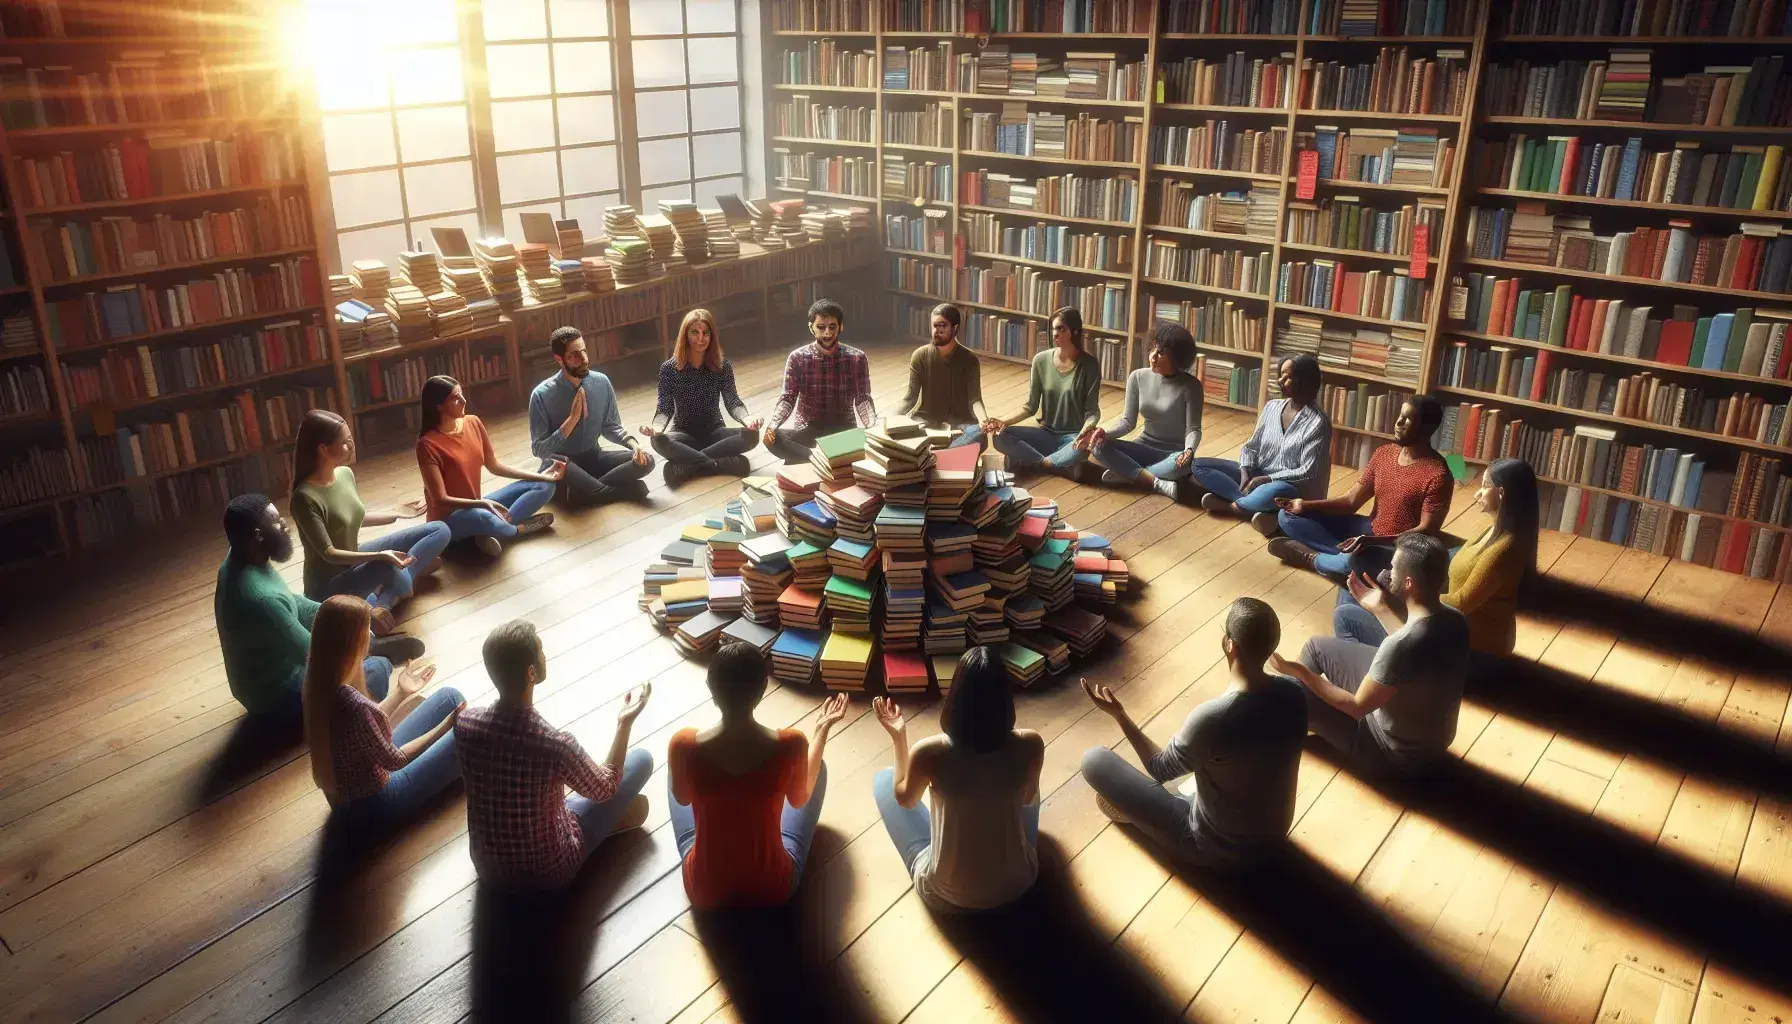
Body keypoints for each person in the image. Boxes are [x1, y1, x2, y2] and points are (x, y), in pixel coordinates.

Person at [1079, 597, 1308, 867]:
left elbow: (1159, 768)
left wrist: (1120, 715)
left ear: (1229, 645)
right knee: (1200, 765)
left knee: (1094, 760)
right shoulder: (1295, 691)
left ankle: (1143, 812)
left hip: (1218, 848)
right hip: (1273, 835)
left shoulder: (1214, 718)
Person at [455, 619, 655, 889]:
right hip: (548, 873)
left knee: (559, 792)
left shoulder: (465, 724)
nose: (545, 656)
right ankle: (608, 823)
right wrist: (624, 723)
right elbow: (605, 788)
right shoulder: (554, 745)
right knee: (641, 760)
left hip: (488, 869)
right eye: (541, 651)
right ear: (531, 673)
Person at [667, 641, 848, 908]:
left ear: (710, 689)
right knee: (817, 768)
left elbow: (682, 800)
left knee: (674, 775)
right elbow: (799, 800)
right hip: (772, 887)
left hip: (705, 890)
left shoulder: (683, 745)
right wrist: (821, 730)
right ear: (763, 689)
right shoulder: (792, 744)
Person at [215, 494, 424, 723]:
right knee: (377, 669)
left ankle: (370, 646)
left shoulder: (241, 558)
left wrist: (350, 617)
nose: (285, 524)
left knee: (348, 631)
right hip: (276, 696)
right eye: (277, 521)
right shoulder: (260, 598)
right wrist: (355, 650)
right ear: (258, 535)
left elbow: (293, 602)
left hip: (263, 678)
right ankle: (371, 655)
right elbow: (313, 656)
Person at [1275, 532, 1469, 773]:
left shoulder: (1398, 646)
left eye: (1394, 567)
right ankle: (1314, 709)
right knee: (1338, 622)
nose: (1389, 571)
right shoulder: (1455, 619)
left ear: (1409, 583)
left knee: (1294, 687)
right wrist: (1380, 609)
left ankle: (1282, 722)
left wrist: (1300, 672)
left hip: (1393, 753)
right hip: (1432, 743)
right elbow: (1414, 651)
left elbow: (1358, 707)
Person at [872, 647, 1045, 911]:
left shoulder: (931, 752)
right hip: (1018, 886)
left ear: (956, 696)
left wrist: (899, 738)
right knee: (1031, 791)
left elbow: (904, 799)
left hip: (947, 895)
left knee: (885, 781)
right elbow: (1028, 799)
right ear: (1005, 698)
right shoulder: (1030, 744)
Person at [1334, 458, 1538, 659]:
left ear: (1501, 494)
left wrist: (1403, 594)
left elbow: (1460, 604)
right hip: (1445, 626)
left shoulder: (1504, 551)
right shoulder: (1493, 530)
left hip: (1471, 652)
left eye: (1485, 487)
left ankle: (1382, 675)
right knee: (1359, 571)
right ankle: (1377, 664)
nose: (1477, 493)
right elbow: (1452, 562)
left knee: (1344, 615)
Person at [302, 595, 464, 836]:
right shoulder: (352, 704)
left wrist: (401, 692)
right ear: (353, 641)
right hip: (377, 802)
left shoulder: (320, 682)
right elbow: (395, 760)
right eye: (365, 628)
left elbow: (365, 727)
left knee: (450, 696)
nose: (370, 633)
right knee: (465, 735)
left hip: (355, 787)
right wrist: (447, 725)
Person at [1270, 395, 1451, 581]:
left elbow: (1426, 532)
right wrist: (1304, 504)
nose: (1398, 422)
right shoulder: (1384, 453)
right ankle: (1342, 561)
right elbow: (1351, 501)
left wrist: (1372, 542)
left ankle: (1314, 558)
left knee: (1360, 559)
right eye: (1400, 415)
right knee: (1288, 516)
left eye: (1408, 419)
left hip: (1395, 547)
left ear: (1427, 428)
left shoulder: (1437, 474)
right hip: (1368, 529)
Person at [290, 410, 450, 611]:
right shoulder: (304, 497)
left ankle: (389, 588)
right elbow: (329, 554)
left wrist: (397, 513)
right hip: (329, 584)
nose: (352, 446)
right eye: (345, 442)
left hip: (354, 557)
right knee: (399, 577)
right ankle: (388, 593)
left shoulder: (344, 474)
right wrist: (380, 556)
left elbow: (354, 517)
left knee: (440, 530)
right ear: (323, 448)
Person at [420, 375, 563, 557]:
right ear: (438, 405)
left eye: (462, 394)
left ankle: (488, 533)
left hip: (477, 505)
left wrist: (541, 476)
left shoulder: (473, 422)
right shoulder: (427, 444)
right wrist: (484, 504)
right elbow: (441, 498)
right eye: (455, 398)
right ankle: (514, 530)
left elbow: (494, 465)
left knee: (545, 486)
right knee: (484, 516)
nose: (463, 401)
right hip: (449, 519)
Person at [1192, 354, 1331, 535]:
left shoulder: (1318, 422)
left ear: (1304, 381)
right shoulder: (1272, 407)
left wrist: (1266, 480)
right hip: (1258, 476)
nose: (1281, 381)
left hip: (1292, 488)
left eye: (1288, 377)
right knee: (1198, 465)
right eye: (1281, 375)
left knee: (1275, 490)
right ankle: (1259, 510)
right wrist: (1244, 472)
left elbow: (1306, 471)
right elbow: (1252, 447)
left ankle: (1232, 506)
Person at [528, 326, 655, 505]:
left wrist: (634, 446)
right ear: (559, 359)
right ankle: (606, 490)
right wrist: (571, 421)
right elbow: (539, 449)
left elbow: (611, 426)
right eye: (574, 355)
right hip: (563, 465)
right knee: (561, 464)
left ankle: (590, 491)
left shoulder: (601, 382)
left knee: (646, 461)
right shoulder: (540, 395)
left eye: (584, 351)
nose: (584, 360)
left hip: (594, 457)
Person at [641, 309, 761, 486]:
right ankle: (719, 463)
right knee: (658, 440)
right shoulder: (668, 369)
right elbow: (664, 407)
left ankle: (689, 465)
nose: (701, 339)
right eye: (695, 332)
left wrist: (748, 419)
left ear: (712, 335)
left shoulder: (722, 366)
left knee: (752, 435)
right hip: (683, 435)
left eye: (706, 333)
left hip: (715, 432)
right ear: (685, 335)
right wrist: (657, 428)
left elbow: (732, 400)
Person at [1089, 320, 1203, 498]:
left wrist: (1189, 450)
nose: (1153, 356)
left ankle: (1127, 473)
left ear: (1176, 357)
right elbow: (1127, 422)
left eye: (1161, 353)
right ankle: (1155, 482)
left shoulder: (1191, 386)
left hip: (1171, 455)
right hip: (1141, 447)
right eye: (1153, 350)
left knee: (1182, 466)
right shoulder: (1137, 377)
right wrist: (1105, 433)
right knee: (1098, 446)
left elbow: (1193, 429)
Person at [987, 307, 1101, 476]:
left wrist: (1085, 431)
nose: (1055, 334)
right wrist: (1003, 421)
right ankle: (1055, 464)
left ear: (1075, 331)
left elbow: (1092, 412)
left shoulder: (1090, 365)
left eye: (1061, 329)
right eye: (1054, 329)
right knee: (1000, 437)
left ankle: (1029, 460)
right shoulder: (1041, 360)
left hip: (1071, 437)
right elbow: (1030, 407)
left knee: (1082, 449)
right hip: (1044, 433)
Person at [764, 299, 876, 464]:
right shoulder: (797, 358)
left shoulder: (857, 358)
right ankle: (820, 457)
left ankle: (811, 457)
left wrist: (873, 426)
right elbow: (788, 397)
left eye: (832, 327)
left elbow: (863, 398)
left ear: (841, 326)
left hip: (843, 429)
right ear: (811, 328)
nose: (827, 334)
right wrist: (773, 425)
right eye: (821, 327)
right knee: (773, 438)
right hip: (808, 430)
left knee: (870, 439)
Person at [899, 303, 992, 449]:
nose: (937, 330)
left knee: (978, 435)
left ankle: (934, 454)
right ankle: (947, 454)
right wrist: (889, 420)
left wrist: (983, 420)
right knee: (902, 434)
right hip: (928, 421)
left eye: (943, 326)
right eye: (935, 326)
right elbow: (910, 398)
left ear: (955, 328)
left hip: (961, 423)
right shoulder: (920, 356)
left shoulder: (969, 359)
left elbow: (975, 399)